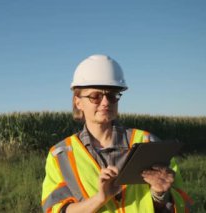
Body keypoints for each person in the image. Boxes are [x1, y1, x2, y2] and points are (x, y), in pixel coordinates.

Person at [41, 55, 192, 213]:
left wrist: (160, 194)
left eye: (112, 95)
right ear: (78, 102)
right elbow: (56, 210)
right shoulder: (60, 155)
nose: (105, 102)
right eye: (95, 96)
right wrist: (100, 198)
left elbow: (183, 203)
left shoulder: (149, 142)